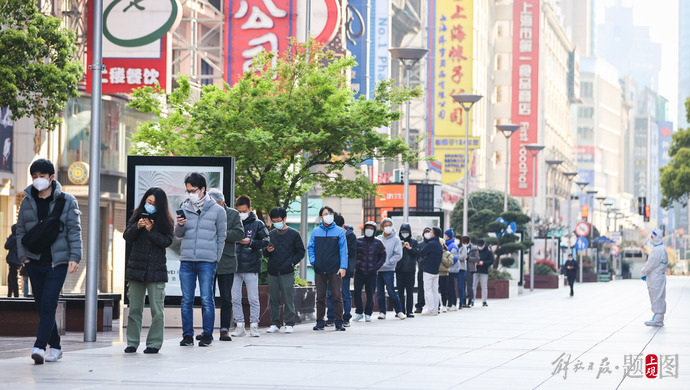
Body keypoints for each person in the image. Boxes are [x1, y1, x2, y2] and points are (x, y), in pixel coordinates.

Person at [16, 159, 82, 364]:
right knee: (42, 305)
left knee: (48, 303)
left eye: (42, 176)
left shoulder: (67, 200)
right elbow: (20, 231)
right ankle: (56, 346)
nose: (38, 180)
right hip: (33, 261)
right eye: (34, 177)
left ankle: (39, 346)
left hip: (57, 262)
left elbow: (74, 230)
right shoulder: (27, 201)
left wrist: (75, 256)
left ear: (51, 177)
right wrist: (23, 257)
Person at [175, 173, 227, 347]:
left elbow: (222, 236)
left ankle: (207, 335)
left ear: (203, 189)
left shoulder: (218, 210)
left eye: (193, 190)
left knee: (206, 298)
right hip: (187, 260)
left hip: (207, 261)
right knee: (186, 300)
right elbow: (178, 234)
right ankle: (187, 335)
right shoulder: (185, 207)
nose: (190, 193)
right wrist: (180, 225)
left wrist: (215, 258)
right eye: (188, 190)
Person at [123, 187, 174, 354]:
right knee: (134, 309)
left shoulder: (165, 220)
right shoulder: (137, 215)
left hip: (156, 271)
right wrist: (137, 226)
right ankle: (132, 342)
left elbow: (166, 242)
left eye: (153, 203)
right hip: (136, 270)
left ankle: (154, 343)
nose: (150, 205)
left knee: (157, 311)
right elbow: (127, 236)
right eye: (148, 202)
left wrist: (152, 230)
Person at [207, 190, 244, 341]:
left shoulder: (233, 214)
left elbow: (239, 234)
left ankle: (224, 329)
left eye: (216, 205)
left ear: (222, 203)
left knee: (226, 297)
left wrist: (221, 232)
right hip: (208, 260)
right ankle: (207, 330)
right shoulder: (205, 212)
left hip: (227, 261)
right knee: (207, 297)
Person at [231, 196, 269, 337]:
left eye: (244, 210)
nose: (242, 213)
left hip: (251, 266)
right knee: (235, 298)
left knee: (253, 298)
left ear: (250, 209)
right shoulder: (234, 222)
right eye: (239, 211)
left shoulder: (258, 224)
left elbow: (266, 240)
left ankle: (254, 325)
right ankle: (239, 325)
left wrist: (251, 242)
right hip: (235, 266)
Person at [264, 207, 305, 334]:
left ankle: (289, 323)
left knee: (288, 298)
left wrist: (292, 262)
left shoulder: (294, 234)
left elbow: (301, 251)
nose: (276, 222)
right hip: (273, 271)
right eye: (274, 220)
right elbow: (264, 252)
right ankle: (275, 323)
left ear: (284, 219)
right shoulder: (270, 235)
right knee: (274, 299)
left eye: (278, 220)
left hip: (287, 271)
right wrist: (267, 251)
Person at [308, 206, 348, 331]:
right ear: (321, 217)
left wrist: (343, 267)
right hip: (320, 269)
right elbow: (311, 248)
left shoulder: (339, 231)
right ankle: (320, 321)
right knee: (320, 297)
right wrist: (314, 262)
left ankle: (339, 321)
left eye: (330, 213)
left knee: (336, 296)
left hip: (335, 269)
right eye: (326, 214)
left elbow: (343, 250)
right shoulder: (315, 231)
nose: (328, 216)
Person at [352, 221, 386, 322]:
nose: (369, 230)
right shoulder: (359, 241)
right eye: (367, 228)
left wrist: (377, 266)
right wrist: (355, 265)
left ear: (374, 230)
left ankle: (368, 313)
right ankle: (359, 312)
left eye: (371, 228)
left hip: (371, 272)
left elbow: (383, 256)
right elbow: (353, 254)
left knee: (370, 293)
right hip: (359, 271)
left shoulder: (378, 242)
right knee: (357, 292)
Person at [327, 214, 356, 327]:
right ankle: (330, 317)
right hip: (331, 268)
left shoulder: (350, 236)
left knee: (345, 294)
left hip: (345, 269)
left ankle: (346, 317)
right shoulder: (330, 234)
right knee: (330, 293)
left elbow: (352, 253)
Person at [376, 218, 405, 320]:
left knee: (391, 290)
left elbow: (398, 254)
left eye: (390, 225)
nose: (388, 228)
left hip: (389, 269)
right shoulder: (378, 238)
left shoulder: (396, 239)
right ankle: (382, 312)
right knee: (380, 292)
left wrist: (388, 262)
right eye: (386, 226)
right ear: (382, 227)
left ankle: (399, 311)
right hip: (378, 270)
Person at [641, 229, 668, 327]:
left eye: (652, 237)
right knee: (657, 296)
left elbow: (650, 264)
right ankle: (656, 317)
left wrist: (643, 272)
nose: (651, 239)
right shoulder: (659, 248)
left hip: (656, 277)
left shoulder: (658, 250)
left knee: (657, 296)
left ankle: (658, 319)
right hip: (656, 277)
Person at [396, 223, 418, 317]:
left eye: (406, 232)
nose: (404, 234)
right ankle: (400, 311)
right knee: (400, 291)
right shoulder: (398, 241)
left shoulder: (413, 241)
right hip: (400, 270)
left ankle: (409, 311)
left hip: (410, 270)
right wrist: (401, 248)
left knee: (409, 291)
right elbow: (394, 252)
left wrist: (410, 248)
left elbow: (416, 253)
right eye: (403, 232)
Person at [419, 227, 443, 315]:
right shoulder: (439, 244)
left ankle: (430, 309)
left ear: (433, 234)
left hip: (428, 270)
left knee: (428, 289)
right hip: (436, 270)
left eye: (431, 232)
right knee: (435, 290)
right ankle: (435, 309)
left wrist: (426, 256)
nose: (430, 233)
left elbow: (422, 253)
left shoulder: (430, 243)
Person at [473, 238, 494, 307]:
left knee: (484, 287)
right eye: (478, 245)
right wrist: (475, 262)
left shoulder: (488, 251)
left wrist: (484, 263)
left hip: (484, 271)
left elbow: (491, 261)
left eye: (481, 245)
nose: (480, 246)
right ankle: (472, 300)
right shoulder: (475, 250)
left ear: (484, 244)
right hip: (475, 270)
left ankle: (484, 301)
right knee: (473, 286)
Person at [444, 228, 460, 311]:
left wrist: (446, 263)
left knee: (451, 287)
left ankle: (453, 303)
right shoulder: (448, 244)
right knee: (448, 287)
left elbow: (454, 259)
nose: (444, 236)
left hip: (452, 269)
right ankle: (449, 304)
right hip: (449, 269)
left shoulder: (452, 246)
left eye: (445, 235)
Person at [438, 243, 454, 313]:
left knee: (444, 291)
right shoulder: (434, 252)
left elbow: (449, 263)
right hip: (435, 274)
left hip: (444, 274)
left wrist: (441, 256)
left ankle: (444, 305)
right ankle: (437, 305)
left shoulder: (448, 253)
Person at [464, 236, 479, 307]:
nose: (465, 244)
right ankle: (463, 300)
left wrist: (468, 258)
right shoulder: (461, 247)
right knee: (463, 285)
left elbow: (477, 258)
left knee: (469, 285)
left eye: (466, 242)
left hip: (470, 268)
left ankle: (470, 299)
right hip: (462, 267)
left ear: (469, 241)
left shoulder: (474, 248)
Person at [5, 224, 20, 297]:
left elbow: (6, 246)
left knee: (12, 277)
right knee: (11, 276)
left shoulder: (13, 238)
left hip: (12, 259)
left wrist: (9, 239)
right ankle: (11, 293)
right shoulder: (19, 237)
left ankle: (13, 293)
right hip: (17, 259)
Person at [454, 236, 468, 310]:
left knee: (460, 287)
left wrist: (454, 257)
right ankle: (453, 302)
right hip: (453, 268)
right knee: (453, 287)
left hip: (461, 269)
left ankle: (461, 303)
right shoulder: (453, 246)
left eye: (458, 239)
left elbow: (463, 257)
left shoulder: (464, 248)